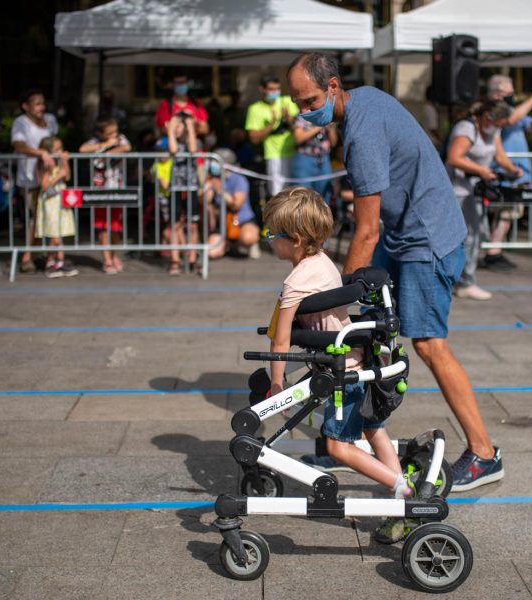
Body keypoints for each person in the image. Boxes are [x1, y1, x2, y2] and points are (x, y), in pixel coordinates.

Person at [286, 53, 503, 514]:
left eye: (308, 102)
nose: (304, 113)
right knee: (367, 332)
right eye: (296, 103)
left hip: (424, 238)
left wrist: (332, 300)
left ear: (332, 87)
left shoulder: (360, 134)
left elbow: (367, 232)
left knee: (426, 343)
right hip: (408, 231)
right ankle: (348, 438)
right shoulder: (363, 100)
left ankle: (484, 453)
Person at [263, 186, 413, 533]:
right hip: (361, 358)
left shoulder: (295, 281)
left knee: (338, 447)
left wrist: (276, 382)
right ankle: (403, 498)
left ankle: (402, 489)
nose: (270, 239)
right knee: (373, 429)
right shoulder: (322, 261)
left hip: (341, 369)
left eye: (274, 233)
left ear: (296, 239)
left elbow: (281, 338)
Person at [444, 99, 523, 300]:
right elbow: (453, 157)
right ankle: (460, 281)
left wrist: (513, 169)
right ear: (488, 117)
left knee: (476, 234)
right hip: (455, 191)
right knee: (464, 236)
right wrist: (481, 170)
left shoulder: (492, 129)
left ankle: (465, 279)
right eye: (501, 124)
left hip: (473, 191)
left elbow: (499, 156)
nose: (501, 128)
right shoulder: (467, 128)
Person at [483, 75, 532, 271]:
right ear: (497, 94)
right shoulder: (496, 111)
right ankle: (493, 252)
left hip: (517, 173)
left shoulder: (514, 110)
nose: (512, 96)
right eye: (509, 93)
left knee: (508, 214)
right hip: (503, 172)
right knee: (503, 214)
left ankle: (495, 249)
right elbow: (510, 120)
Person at [11, 89, 59, 273]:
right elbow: (19, 145)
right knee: (32, 219)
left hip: (48, 177)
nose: (41, 107)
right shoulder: (20, 123)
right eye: (37, 104)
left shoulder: (50, 120)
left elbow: (54, 142)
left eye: (43, 103)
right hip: (29, 177)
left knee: (44, 218)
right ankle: (27, 257)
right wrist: (40, 153)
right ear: (26, 106)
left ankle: (38, 255)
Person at [79, 118, 132, 274]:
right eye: (110, 133)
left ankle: (115, 256)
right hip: (99, 190)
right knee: (102, 227)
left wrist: (108, 152)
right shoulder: (95, 141)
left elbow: (127, 147)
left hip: (117, 189)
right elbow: (82, 149)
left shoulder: (121, 139)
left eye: (115, 131)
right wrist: (105, 145)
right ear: (100, 133)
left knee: (115, 227)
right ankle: (107, 260)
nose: (114, 135)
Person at [153, 112, 202, 276]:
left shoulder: (191, 139)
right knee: (174, 224)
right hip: (175, 187)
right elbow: (173, 150)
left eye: (181, 125)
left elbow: (193, 149)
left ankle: (193, 258)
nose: (179, 127)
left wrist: (190, 126)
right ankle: (175, 260)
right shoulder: (168, 141)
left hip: (191, 187)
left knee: (193, 224)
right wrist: (171, 129)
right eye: (178, 125)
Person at [246, 75, 299, 197]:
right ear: (262, 89)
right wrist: (271, 125)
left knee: (296, 192)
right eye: (271, 89)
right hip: (274, 155)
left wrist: (288, 119)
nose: (275, 92)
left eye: (277, 89)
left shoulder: (286, 101)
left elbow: (298, 126)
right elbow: (253, 138)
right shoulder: (254, 109)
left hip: (294, 152)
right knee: (278, 194)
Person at [33, 136, 78, 279]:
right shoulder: (44, 165)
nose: (60, 151)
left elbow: (68, 176)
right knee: (55, 236)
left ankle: (60, 261)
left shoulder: (59, 162)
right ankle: (50, 261)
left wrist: (64, 161)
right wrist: (57, 175)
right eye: (57, 149)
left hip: (61, 200)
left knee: (60, 234)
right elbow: (45, 185)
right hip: (50, 202)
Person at [204, 148, 260, 260]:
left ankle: (246, 243)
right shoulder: (213, 178)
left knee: (248, 237)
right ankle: (228, 245)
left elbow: (236, 205)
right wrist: (207, 189)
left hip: (241, 220)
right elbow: (205, 201)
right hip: (222, 222)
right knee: (211, 252)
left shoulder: (239, 179)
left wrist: (221, 191)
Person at [291, 112, 337, 202]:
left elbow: (334, 143)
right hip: (305, 159)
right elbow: (298, 138)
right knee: (303, 197)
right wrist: (318, 126)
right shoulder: (302, 116)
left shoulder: (326, 115)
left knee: (324, 196)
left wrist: (331, 129)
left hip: (324, 159)